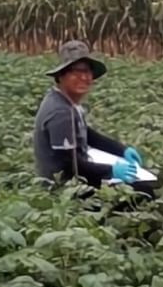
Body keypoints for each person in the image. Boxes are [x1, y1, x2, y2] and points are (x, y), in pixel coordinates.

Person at [32, 40, 148, 193]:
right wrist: (111, 171)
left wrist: (122, 150)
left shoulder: (64, 101)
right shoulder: (61, 112)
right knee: (143, 191)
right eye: (76, 71)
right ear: (60, 76)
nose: (84, 77)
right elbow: (69, 166)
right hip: (63, 191)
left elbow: (87, 133)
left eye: (87, 71)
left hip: (74, 180)